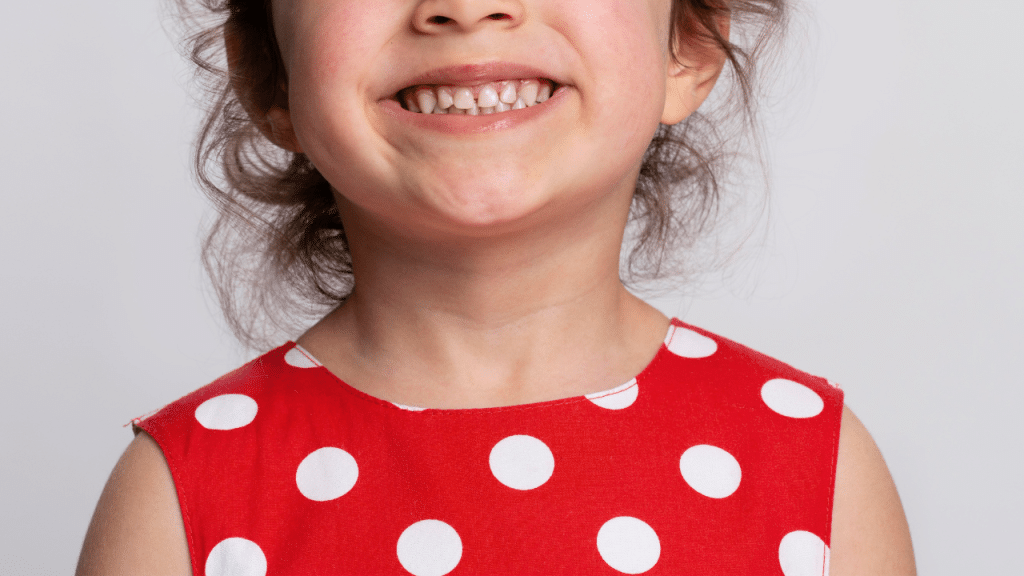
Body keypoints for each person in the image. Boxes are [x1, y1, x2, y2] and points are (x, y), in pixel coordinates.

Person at [77, 0, 916, 574]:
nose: (467, 7)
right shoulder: (181, 498)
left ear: (688, 46)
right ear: (270, 77)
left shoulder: (814, 469)